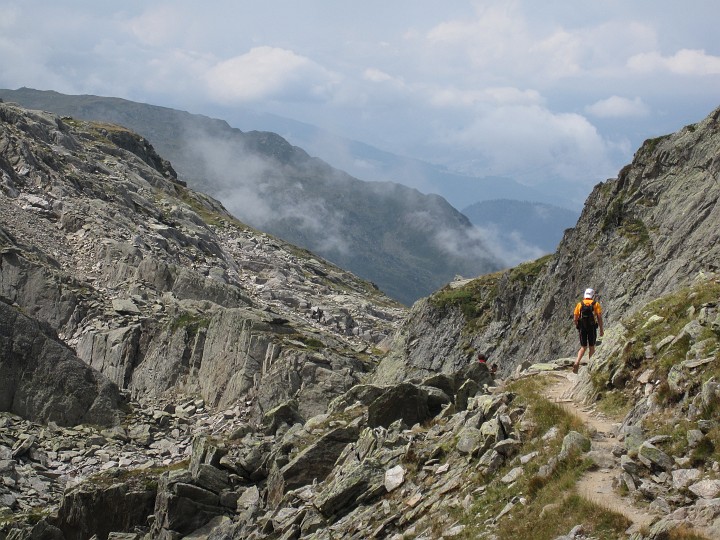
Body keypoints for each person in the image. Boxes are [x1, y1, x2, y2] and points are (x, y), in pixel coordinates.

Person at [572, 288, 604, 373]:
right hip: (592, 327)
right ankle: (590, 365)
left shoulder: (580, 304)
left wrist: (577, 326)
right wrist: (601, 329)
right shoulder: (595, 304)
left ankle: (577, 362)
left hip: (582, 327)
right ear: (592, 295)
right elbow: (599, 317)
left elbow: (575, 318)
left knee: (583, 347)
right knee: (591, 347)